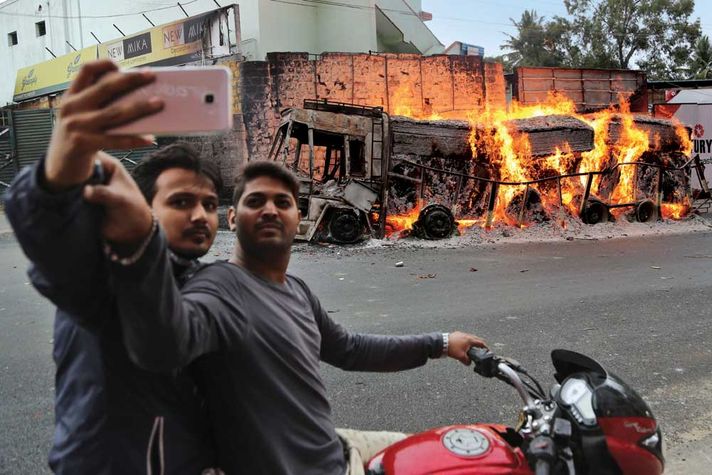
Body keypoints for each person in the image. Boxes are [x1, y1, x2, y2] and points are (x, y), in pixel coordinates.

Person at [85, 153, 489, 474]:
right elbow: (170, 337)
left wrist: (440, 343)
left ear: (300, 219)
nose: (270, 210)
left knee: (459, 455)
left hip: (337, 448)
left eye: (283, 202)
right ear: (231, 218)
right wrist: (135, 246)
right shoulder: (216, 288)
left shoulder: (297, 291)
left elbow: (349, 349)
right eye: (254, 201)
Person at [5, 60, 222, 474]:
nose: (200, 216)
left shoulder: (201, 277)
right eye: (181, 202)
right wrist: (58, 176)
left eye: (209, 205)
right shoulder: (106, 271)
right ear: (140, 205)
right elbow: (55, 240)